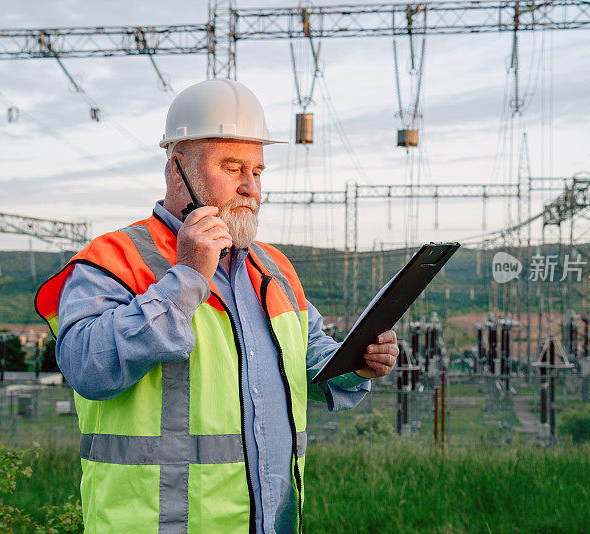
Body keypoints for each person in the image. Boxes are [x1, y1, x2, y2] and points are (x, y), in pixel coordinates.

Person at [35, 78, 399, 533]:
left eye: (258, 171)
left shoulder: (274, 269)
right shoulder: (113, 259)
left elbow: (311, 365)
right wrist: (185, 278)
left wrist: (359, 363)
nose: (250, 187)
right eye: (232, 168)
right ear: (177, 168)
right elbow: (87, 367)